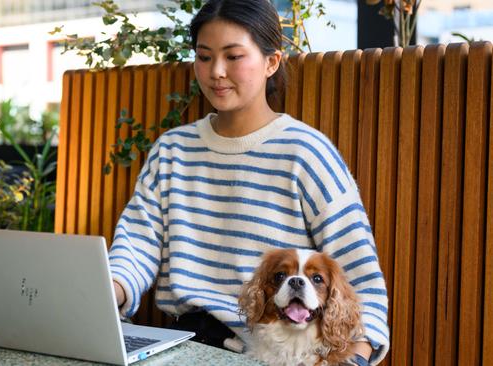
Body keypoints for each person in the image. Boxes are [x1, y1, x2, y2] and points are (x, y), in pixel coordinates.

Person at [108, 0, 390, 364]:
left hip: (272, 350)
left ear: (272, 62)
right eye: (204, 57)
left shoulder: (307, 153)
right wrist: (104, 292)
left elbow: (359, 275)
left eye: (234, 56)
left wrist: (357, 356)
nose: (216, 72)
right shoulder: (172, 149)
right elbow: (137, 243)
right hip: (182, 342)